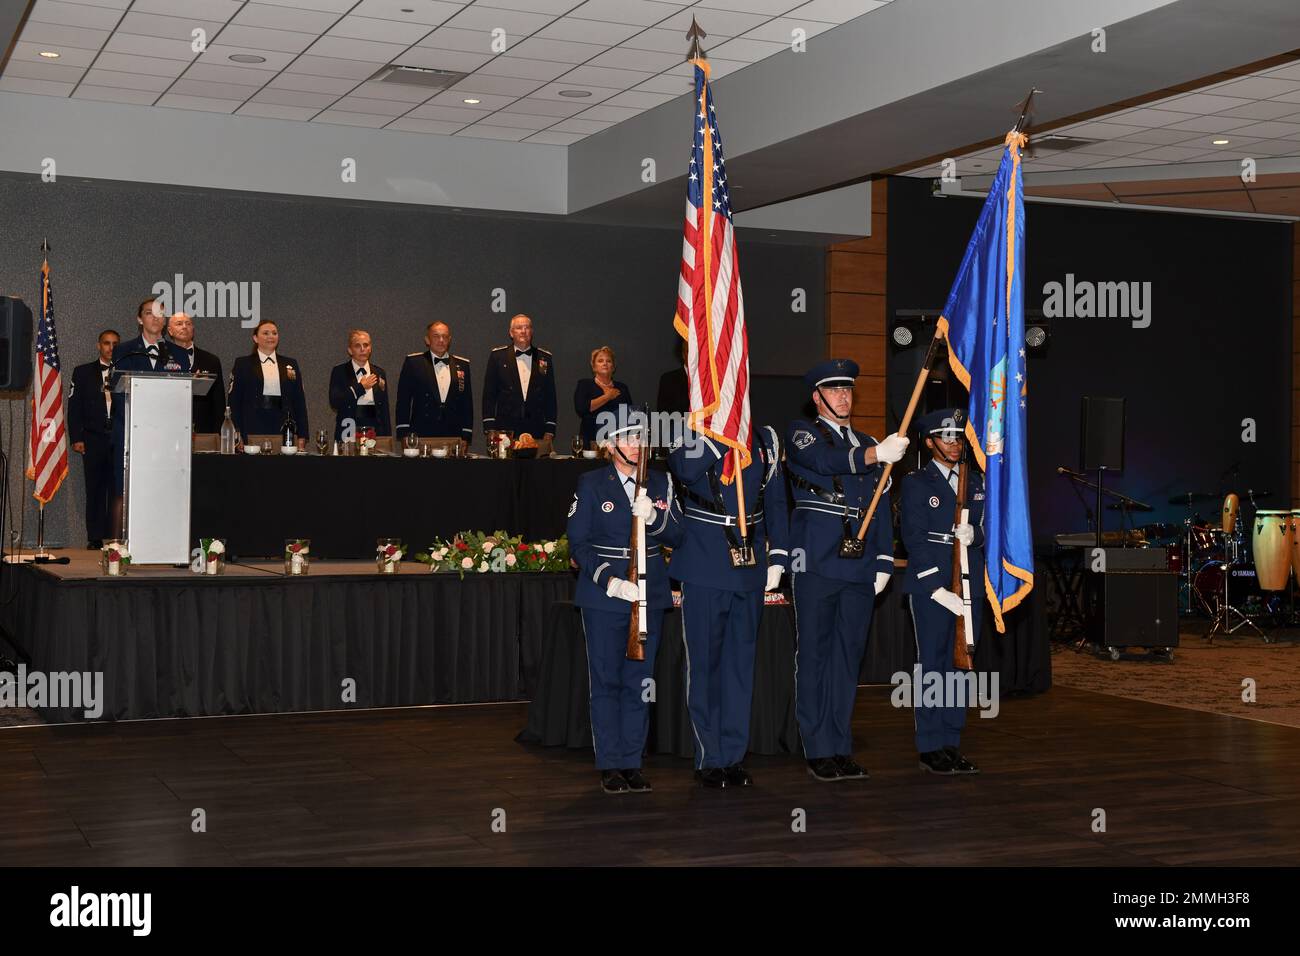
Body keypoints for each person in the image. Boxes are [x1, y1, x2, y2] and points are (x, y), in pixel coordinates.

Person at [785, 359, 909, 782]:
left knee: (846, 659)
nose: (843, 396)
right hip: (817, 561)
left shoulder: (867, 440)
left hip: (858, 565)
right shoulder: (803, 433)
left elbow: (878, 509)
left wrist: (882, 561)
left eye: (848, 390)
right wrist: (876, 454)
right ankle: (817, 747)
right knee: (815, 656)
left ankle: (839, 745)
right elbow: (823, 462)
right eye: (834, 390)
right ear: (817, 397)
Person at [668, 423, 789, 789]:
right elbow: (685, 470)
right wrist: (716, 433)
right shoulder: (690, 433)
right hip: (704, 561)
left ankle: (733, 756)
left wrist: (779, 555)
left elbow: (776, 500)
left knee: (740, 666)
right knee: (705, 664)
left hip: (749, 563)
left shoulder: (766, 437)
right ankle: (710, 756)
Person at [566, 420, 682, 794]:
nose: (636, 446)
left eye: (641, 439)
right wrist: (609, 581)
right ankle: (610, 764)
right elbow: (578, 543)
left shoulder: (661, 482)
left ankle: (632, 760)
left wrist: (654, 518)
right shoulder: (592, 483)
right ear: (610, 445)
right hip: (606, 595)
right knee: (607, 680)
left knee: (640, 682)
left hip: (651, 592)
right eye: (628, 439)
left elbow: (678, 533)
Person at [899, 407, 985, 776]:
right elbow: (913, 539)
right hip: (932, 584)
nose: (954, 444)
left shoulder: (977, 481)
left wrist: (975, 535)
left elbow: (990, 529)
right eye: (946, 437)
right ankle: (930, 744)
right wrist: (935, 587)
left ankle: (952, 739)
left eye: (958, 436)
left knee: (961, 664)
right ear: (930, 441)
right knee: (933, 663)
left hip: (968, 582)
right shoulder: (917, 483)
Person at [109, 298, 188, 533]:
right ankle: (117, 550)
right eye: (149, 313)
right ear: (139, 319)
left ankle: (166, 542)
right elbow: (118, 391)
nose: (156, 318)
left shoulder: (178, 354)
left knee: (165, 491)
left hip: (166, 437)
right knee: (124, 492)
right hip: (131, 433)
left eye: (160, 314)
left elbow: (182, 394)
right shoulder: (124, 351)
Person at [67, 329, 118, 548]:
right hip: (93, 438)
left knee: (118, 490)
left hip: (119, 437)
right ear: (99, 345)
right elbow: (74, 407)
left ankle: (116, 536)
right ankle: (95, 537)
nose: (111, 347)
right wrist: (76, 437)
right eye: (106, 343)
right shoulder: (82, 372)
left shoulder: (126, 371)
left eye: (115, 343)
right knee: (95, 489)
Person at [227, 319, 308, 447]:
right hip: (252, 427)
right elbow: (234, 402)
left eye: (274, 333)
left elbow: (299, 402)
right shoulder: (242, 364)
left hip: (284, 428)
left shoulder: (291, 364)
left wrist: (302, 435)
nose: (271, 336)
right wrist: (236, 433)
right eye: (265, 333)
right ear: (255, 338)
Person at [394, 321, 472, 444]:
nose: (441, 340)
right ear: (427, 340)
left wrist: (466, 434)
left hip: (453, 433)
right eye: (436, 336)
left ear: (449, 339)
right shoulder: (414, 363)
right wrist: (403, 433)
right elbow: (403, 401)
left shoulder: (462, 365)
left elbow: (467, 403)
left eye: (445, 336)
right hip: (421, 431)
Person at [481, 313, 556, 441]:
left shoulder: (545, 358)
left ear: (531, 332)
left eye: (527, 327)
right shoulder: (498, 356)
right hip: (505, 428)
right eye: (519, 328)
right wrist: (490, 427)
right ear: (511, 333)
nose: (523, 331)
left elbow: (550, 396)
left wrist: (550, 429)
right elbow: (489, 395)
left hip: (536, 428)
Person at [165, 311, 226, 433]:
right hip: (170, 427)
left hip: (204, 430)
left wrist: (219, 433)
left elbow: (219, 402)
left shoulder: (211, 360)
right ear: (170, 331)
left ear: (193, 329)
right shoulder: (161, 359)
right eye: (179, 323)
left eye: (188, 323)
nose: (184, 327)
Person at [329, 329, 391, 440]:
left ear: (370, 348)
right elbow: (335, 402)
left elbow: (384, 409)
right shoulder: (340, 371)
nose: (363, 349)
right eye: (357, 346)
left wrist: (387, 437)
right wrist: (360, 387)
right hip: (348, 428)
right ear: (350, 350)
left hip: (375, 430)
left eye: (366, 345)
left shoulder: (379, 372)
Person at [572, 346, 633, 448]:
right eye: (600, 361)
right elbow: (581, 409)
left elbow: (628, 415)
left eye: (608, 361)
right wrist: (607, 397)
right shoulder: (584, 385)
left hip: (617, 443)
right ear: (593, 367)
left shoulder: (622, 388)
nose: (605, 363)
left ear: (613, 367)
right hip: (591, 441)